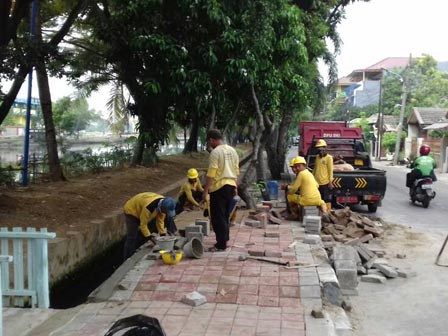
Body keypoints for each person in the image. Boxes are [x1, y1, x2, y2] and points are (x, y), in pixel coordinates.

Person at [203, 129, 239, 252]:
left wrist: (205, 191)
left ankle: (221, 244)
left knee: (218, 216)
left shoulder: (215, 152)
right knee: (225, 215)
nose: (209, 144)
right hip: (230, 186)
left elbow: (211, 173)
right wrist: (235, 186)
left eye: (209, 141)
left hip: (218, 187)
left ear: (211, 140)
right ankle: (224, 240)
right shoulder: (232, 150)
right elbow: (236, 170)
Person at [123, 192, 177, 260]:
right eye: (166, 212)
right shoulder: (149, 207)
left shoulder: (164, 205)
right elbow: (143, 225)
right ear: (163, 208)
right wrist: (150, 237)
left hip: (141, 207)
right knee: (132, 236)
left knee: (144, 232)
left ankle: (134, 251)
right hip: (131, 210)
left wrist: (163, 236)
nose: (166, 213)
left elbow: (160, 221)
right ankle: (128, 258)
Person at [313, 139, 334, 211]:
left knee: (326, 199)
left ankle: (327, 213)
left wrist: (330, 182)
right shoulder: (317, 157)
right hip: (316, 182)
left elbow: (330, 170)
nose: (320, 150)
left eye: (322, 148)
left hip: (325, 182)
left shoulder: (329, 158)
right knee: (318, 198)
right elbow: (315, 169)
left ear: (325, 148)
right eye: (319, 149)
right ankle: (319, 212)